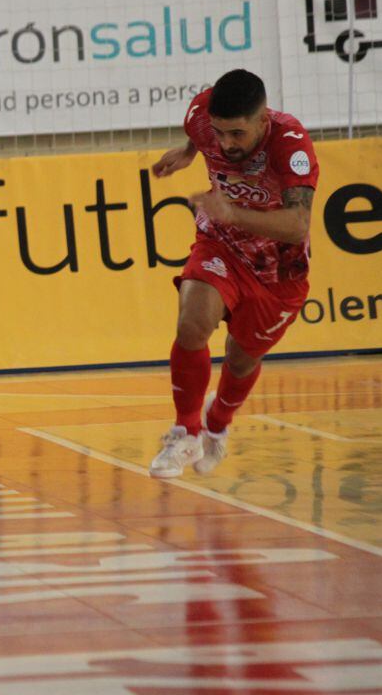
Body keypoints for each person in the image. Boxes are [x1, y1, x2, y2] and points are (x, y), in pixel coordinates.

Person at [148, 69, 318, 479]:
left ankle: (217, 422)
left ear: (263, 120)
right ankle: (184, 432)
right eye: (219, 133)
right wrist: (190, 151)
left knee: (242, 360)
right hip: (219, 243)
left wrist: (232, 211)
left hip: (279, 269)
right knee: (192, 325)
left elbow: (298, 224)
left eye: (237, 135)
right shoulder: (202, 116)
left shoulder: (291, 145)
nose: (226, 144)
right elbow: (201, 131)